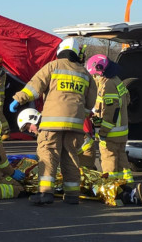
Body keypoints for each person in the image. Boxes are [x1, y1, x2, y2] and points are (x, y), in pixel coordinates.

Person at [10, 36, 96, 205]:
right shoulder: (85, 74)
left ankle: (45, 193)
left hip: (52, 124)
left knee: (48, 155)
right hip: (75, 125)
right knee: (70, 157)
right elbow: (91, 102)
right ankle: (72, 195)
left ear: (60, 52)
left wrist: (18, 99)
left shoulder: (53, 66)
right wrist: (80, 114)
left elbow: (35, 86)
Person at [17, 108, 142, 206]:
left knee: (88, 179)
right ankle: (132, 195)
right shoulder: (51, 122)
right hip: (78, 155)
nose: (30, 130)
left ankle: (132, 194)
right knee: (90, 181)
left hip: (80, 155)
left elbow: (53, 156)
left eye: (28, 126)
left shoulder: (48, 129)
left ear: (33, 118)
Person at [86, 54, 133, 183]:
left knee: (109, 160)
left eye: (95, 75)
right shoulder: (117, 80)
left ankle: (110, 186)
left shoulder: (108, 85)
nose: (95, 78)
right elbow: (127, 99)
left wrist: (103, 132)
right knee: (121, 159)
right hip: (121, 131)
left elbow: (110, 112)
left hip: (110, 132)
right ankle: (126, 184)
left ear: (101, 71)